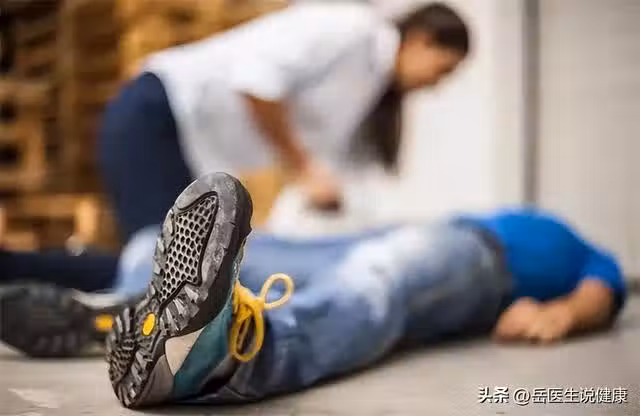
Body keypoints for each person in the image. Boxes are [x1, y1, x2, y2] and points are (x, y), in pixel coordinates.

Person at [0, 173, 626, 407]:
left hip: (476, 262)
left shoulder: (581, 250)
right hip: (406, 233)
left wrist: (563, 313)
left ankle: (229, 352)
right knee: (146, 244)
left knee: (378, 280)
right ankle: (131, 311)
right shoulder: (502, 213)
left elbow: (607, 285)